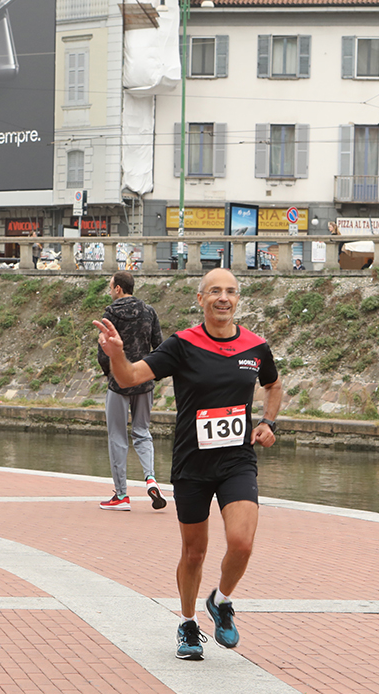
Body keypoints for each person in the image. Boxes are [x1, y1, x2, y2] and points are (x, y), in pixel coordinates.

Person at [93, 268, 283, 661]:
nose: (223, 298)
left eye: (230, 291)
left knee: (242, 543)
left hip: (237, 461)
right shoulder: (182, 345)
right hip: (192, 464)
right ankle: (188, 622)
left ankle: (222, 601)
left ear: (238, 299)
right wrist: (116, 355)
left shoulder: (255, 347)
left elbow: (273, 385)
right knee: (194, 553)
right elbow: (129, 378)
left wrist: (268, 422)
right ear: (201, 299)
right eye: (214, 291)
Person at [96, 271, 165, 512]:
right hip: (144, 382)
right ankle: (151, 478)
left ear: (118, 288)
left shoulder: (110, 314)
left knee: (117, 436)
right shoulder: (149, 311)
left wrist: (110, 373)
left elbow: (104, 351)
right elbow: (160, 347)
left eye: (110, 286)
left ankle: (122, 495)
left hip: (118, 383)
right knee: (142, 432)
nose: (110, 291)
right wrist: (152, 374)